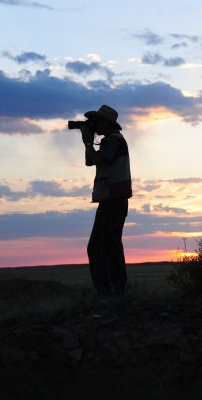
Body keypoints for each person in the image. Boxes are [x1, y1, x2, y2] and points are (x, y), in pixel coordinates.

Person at [80, 105, 132, 297]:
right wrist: (89, 142)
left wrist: (87, 142)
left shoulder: (114, 141)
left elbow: (97, 160)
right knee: (110, 245)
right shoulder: (110, 141)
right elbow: (90, 161)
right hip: (112, 199)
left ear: (106, 123)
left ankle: (107, 292)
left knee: (98, 247)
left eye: (96, 121)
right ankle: (118, 291)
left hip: (113, 200)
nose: (94, 125)